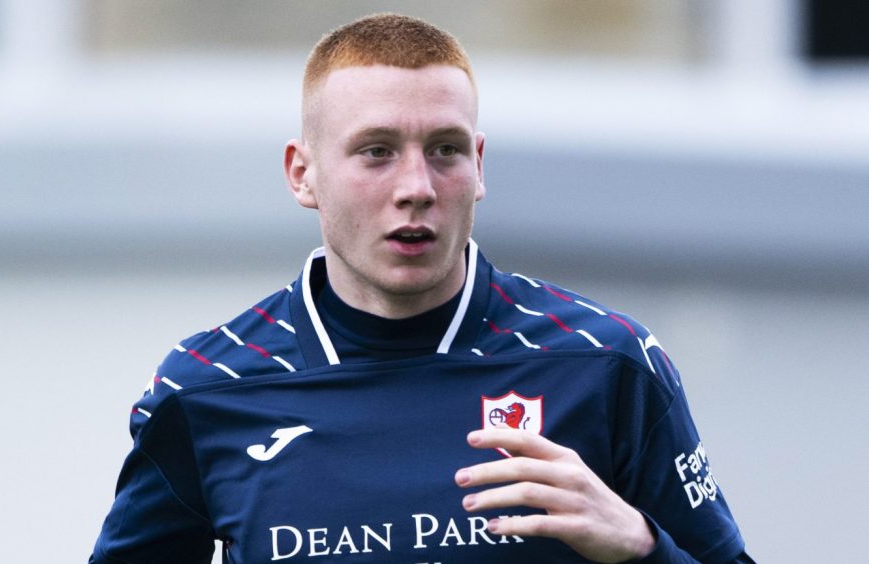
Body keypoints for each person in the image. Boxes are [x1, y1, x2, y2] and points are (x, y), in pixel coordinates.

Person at [90, 13, 751, 563]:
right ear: (303, 174)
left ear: (479, 165)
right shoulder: (207, 388)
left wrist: (641, 545)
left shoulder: (606, 365)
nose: (417, 187)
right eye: (376, 151)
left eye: (444, 149)